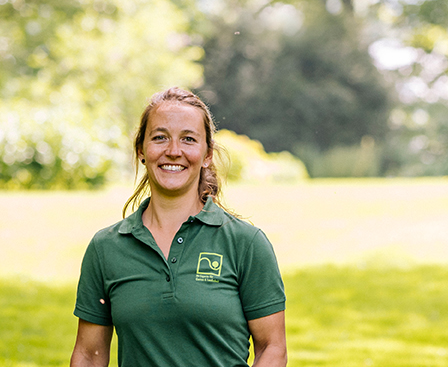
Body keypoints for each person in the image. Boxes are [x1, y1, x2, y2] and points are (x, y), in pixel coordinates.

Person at [69, 87, 287, 367]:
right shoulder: (106, 248)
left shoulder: (246, 243)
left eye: (188, 139)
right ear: (141, 150)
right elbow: (88, 355)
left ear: (207, 154)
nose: (173, 152)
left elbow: (273, 348)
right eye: (160, 138)